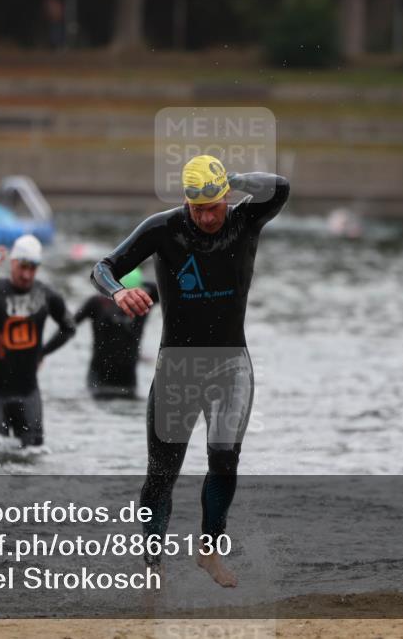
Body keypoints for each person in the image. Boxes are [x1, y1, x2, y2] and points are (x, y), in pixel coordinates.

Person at [91, 155, 290, 587]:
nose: (205, 217)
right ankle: (152, 566)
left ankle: (209, 549)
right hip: (177, 367)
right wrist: (119, 292)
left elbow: (281, 186)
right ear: (185, 202)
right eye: (196, 208)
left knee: (223, 456)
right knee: (162, 473)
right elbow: (102, 268)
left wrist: (232, 177)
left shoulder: (245, 220)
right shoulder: (163, 229)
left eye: (213, 206)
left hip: (230, 364)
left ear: (225, 198)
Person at [0, 234, 75, 447]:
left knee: (33, 456)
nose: (27, 275)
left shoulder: (45, 294)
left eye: (33, 268)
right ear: (13, 263)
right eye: (23, 267)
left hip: (28, 392)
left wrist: (42, 352)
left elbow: (69, 328)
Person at [74, 267, 159, 398]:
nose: (130, 303)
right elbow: (68, 326)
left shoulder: (144, 301)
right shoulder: (97, 303)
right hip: (99, 378)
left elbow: (166, 289)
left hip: (127, 378)